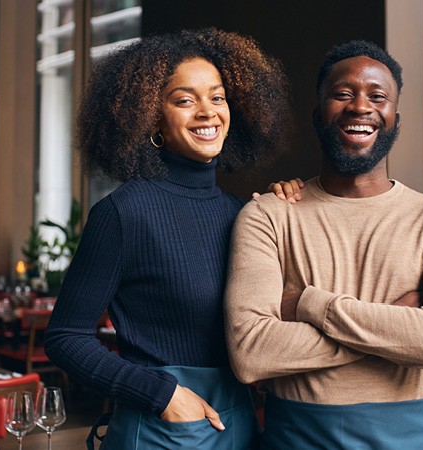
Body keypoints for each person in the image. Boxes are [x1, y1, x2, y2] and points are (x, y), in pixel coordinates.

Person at [44, 28, 297, 450]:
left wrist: (290, 207)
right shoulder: (124, 213)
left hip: (241, 425)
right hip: (165, 428)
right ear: (150, 116)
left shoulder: (243, 213)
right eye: (184, 100)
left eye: (217, 97)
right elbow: (65, 337)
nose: (207, 112)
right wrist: (162, 396)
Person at [224, 40, 423, 449]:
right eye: (343, 94)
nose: (360, 106)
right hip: (298, 438)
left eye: (377, 97)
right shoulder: (268, 216)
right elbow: (251, 353)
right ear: (317, 115)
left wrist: (309, 304)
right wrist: (398, 328)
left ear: (395, 120)